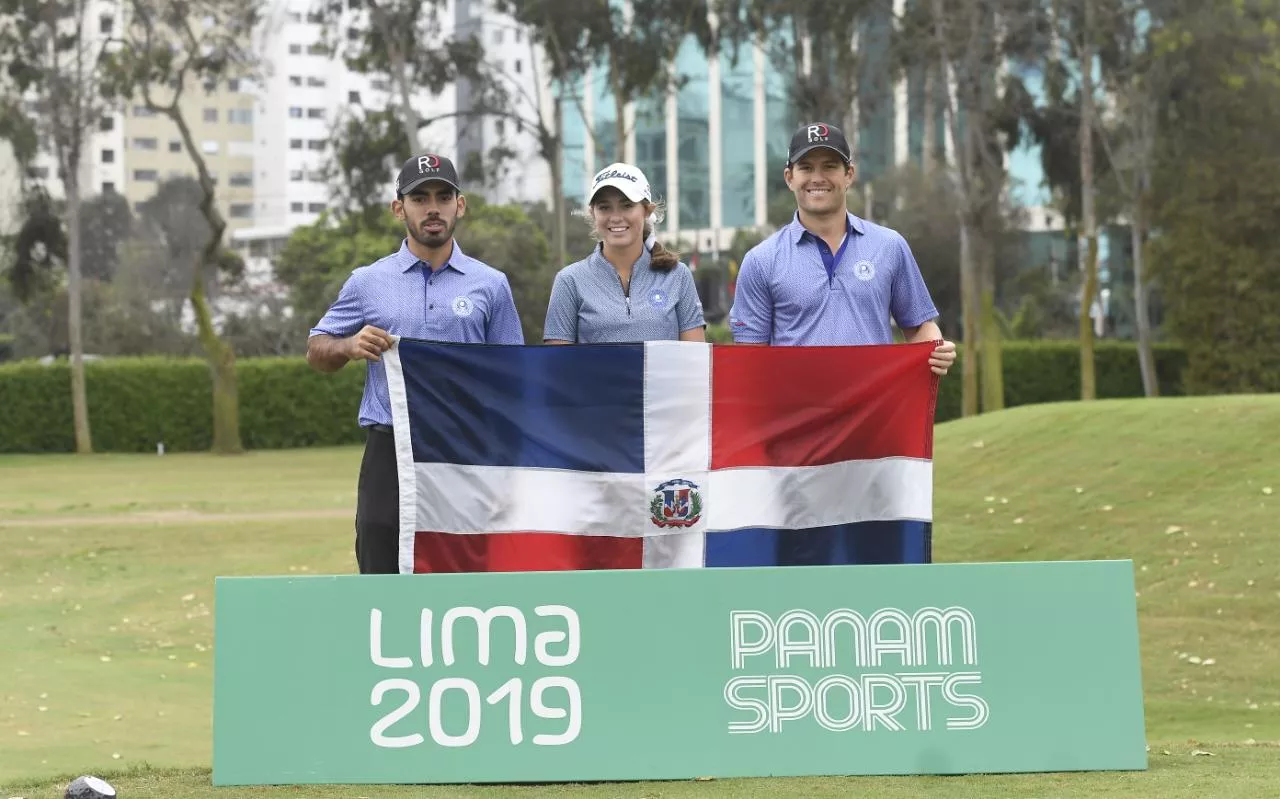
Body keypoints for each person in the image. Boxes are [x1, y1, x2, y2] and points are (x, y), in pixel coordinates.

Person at [305, 152, 524, 575]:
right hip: (392, 442)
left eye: (444, 196)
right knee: (377, 546)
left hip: (465, 444)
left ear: (460, 205)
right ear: (399, 208)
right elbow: (317, 349)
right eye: (420, 198)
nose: (433, 207)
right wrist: (349, 345)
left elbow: (511, 377)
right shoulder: (367, 282)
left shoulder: (491, 285)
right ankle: (388, 642)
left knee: (465, 557)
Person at [728, 121, 957, 375]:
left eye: (829, 166)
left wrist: (935, 349)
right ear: (789, 178)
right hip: (797, 413)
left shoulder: (890, 246)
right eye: (806, 167)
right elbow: (750, 359)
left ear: (849, 174)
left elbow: (918, 328)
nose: (817, 178)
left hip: (873, 410)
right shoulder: (761, 261)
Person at [543, 162, 706, 344]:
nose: (616, 217)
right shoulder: (570, 281)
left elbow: (694, 362)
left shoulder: (678, 276)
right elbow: (558, 366)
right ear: (593, 213)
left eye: (627, 205)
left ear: (647, 210)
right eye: (604, 207)